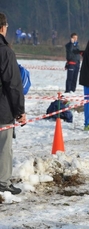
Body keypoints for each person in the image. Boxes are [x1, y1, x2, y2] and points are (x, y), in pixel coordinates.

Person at [0, 13, 26, 195]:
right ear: (2, 27)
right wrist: (20, 111)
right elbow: (14, 85)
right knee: (3, 148)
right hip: (2, 110)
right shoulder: (5, 51)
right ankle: (2, 184)